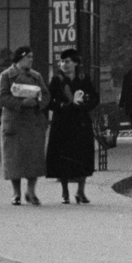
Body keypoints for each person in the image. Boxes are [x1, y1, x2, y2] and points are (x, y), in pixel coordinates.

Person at [45, 50, 98, 204]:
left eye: (67, 61)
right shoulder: (57, 80)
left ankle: (81, 191)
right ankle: (65, 192)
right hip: (63, 122)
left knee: (83, 156)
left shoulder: (83, 78)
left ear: (75, 63)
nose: (64, 65)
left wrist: (86, 104)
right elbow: (49, 101)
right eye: (62, 62)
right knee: (63, 157)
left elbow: (94, 96)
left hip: (80, 121)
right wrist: (63, 105)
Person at [0, 47, 48, 206]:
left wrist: (38, 103)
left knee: (34, 158)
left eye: (32, 57)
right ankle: (16, 193)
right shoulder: (6, 76)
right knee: (15, 158)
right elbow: (2, 97)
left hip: (32, 121)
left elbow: (45, 95)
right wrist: (20, 103)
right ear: (19, 58)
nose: (31, 59)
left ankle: (31, 191)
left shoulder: (36, 76)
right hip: (15, 122)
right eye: (28, 57)